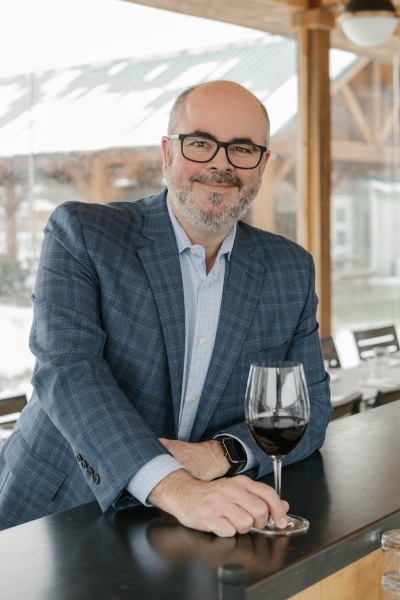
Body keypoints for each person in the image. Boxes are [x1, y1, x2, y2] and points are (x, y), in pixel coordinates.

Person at [0, 81, 332, 535]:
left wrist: (221, 454)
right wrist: (178, 487)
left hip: (190, 527)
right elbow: (69, 372)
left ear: (262, 164)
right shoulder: (83, 233)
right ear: (167, 152)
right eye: (200, 143)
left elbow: (309, 410)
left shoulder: (290, 268)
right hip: (59, 514)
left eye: (242, 149)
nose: (220, 163)